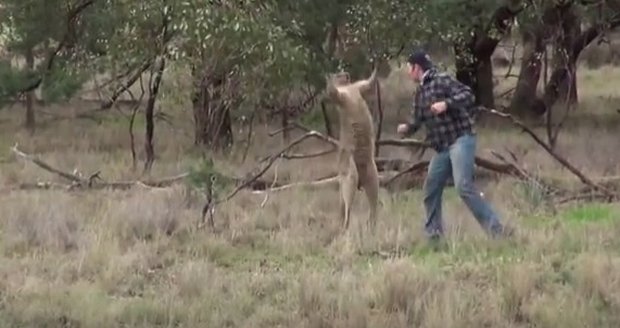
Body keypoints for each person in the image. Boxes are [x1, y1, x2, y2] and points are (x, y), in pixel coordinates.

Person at [397, 49, 510, 240]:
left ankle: (497, 230)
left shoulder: (442, 80)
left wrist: (446, 104)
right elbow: (417, 121)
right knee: (431, 189)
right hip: (442, 148)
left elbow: (468, 95)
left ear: (416, 68)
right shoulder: (420, 93)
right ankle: (434, 235)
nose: (408, 73)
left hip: (460, 140)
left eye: (409, 68)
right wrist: (407, 128)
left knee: (463, 186)